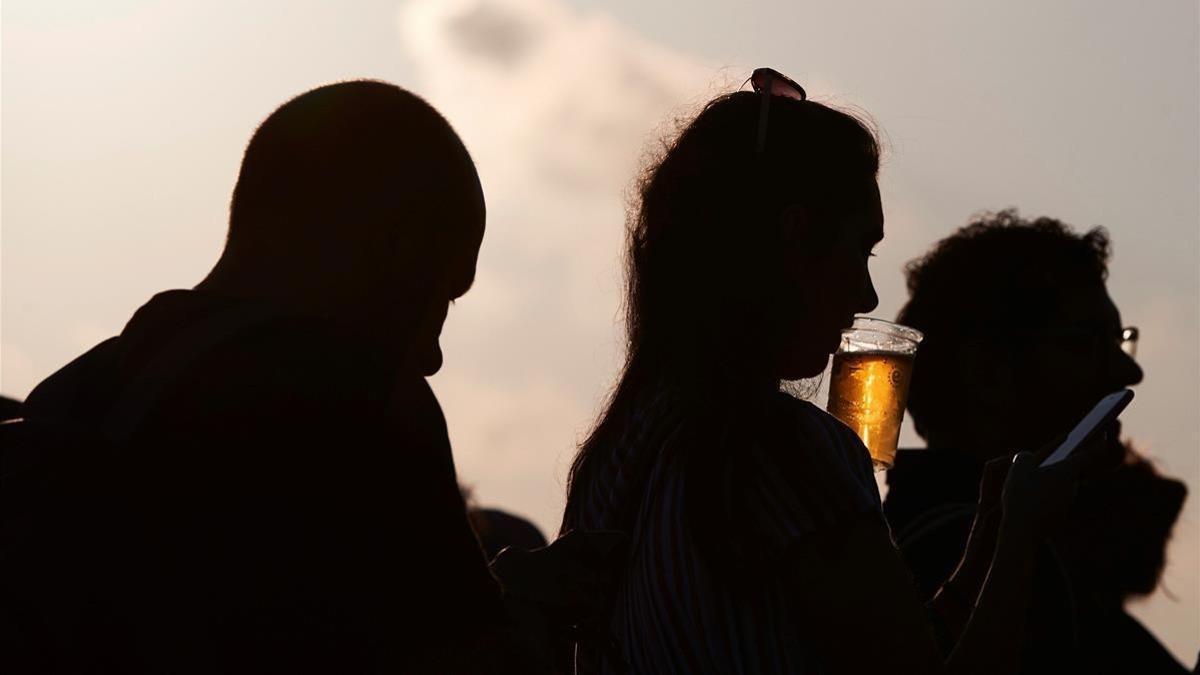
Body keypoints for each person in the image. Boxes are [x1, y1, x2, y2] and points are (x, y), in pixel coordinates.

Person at [1, 80, 610, 674]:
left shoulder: (71, 394)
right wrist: (534, 615)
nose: (432, 356)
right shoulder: (362, 403)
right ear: (399, 250)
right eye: (444, 296)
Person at [560, 69, 1086, 675]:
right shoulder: (782, 449)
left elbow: (890, 647)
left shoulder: (612, 458)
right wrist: (1022, 540)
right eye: (860, 249)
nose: (865, 295)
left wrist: (989, 536)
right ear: (797, 238)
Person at [885, 211, 1185, 673]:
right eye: (1087, 342)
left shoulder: (916, 544)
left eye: (1121, 342)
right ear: (986, 374)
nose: (1129, 372)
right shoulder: (992, 560)